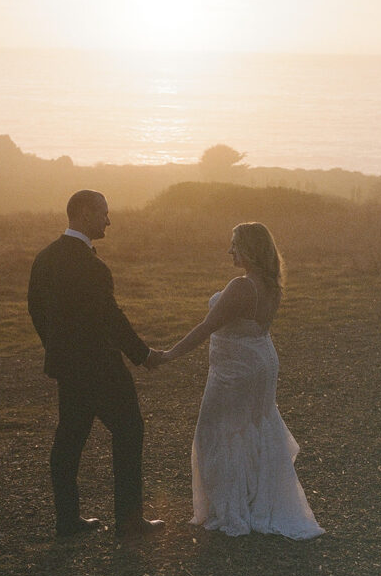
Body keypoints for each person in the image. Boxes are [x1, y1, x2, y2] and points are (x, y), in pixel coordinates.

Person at [160, 222, 324, 539]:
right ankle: (254, 501)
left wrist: (168, 354)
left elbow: (206, 327)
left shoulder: (241, 287)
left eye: (234, 244)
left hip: (236, 370)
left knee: (217, 431)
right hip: (262, 361)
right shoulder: (272, 284)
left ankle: (232, 508)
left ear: (248, 248)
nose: (230, 251)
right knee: (254, 427)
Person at [28, 190, 166, 540]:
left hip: (68, 368)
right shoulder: (92, 266)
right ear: (85, 213)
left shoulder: (44, 258)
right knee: (129, 431)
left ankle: (67, 520)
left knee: (69, 440)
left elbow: (35, 310)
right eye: (104, 212)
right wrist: (143, 354)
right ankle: (129, 520)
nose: (108, 220)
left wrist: (57, 348)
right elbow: (110, 318)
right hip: (102, 367)